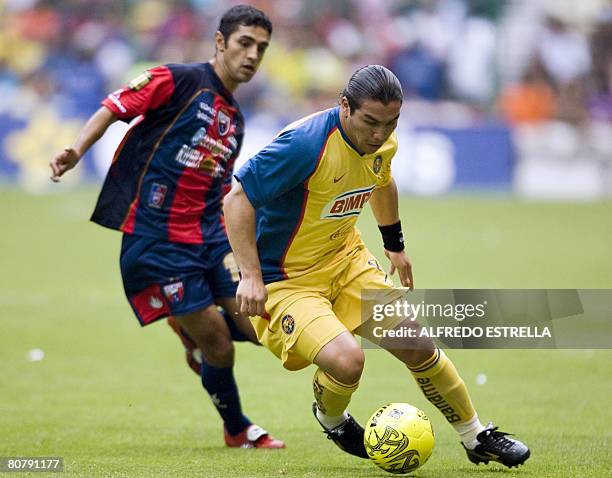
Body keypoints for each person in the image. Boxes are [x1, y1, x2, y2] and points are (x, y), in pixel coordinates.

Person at [223, 65, 530, 467]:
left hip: (345, 261)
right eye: (370, 122)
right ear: (344, 106)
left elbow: (382, 180)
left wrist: (394, 245)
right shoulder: (304, 146)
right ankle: (332, 419)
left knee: (418, 345)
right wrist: (250, 275)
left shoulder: (382, 141)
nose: (379, 134)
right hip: (288, 280)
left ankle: (476, 437)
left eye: (391, 123)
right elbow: (236, 200)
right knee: (349, 361)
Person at [49, 4, 284, 449]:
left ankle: (189, 325)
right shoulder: (178, 80)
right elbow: (114, 107)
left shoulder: (234, 118)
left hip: (209, 239)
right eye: (245, 43)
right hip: (158, 241)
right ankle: (237, 429)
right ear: (220, 42)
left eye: (262, 48)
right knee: (220, 345)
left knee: (260, 326)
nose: (253, 55)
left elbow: (219, 189)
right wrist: (77, 150)